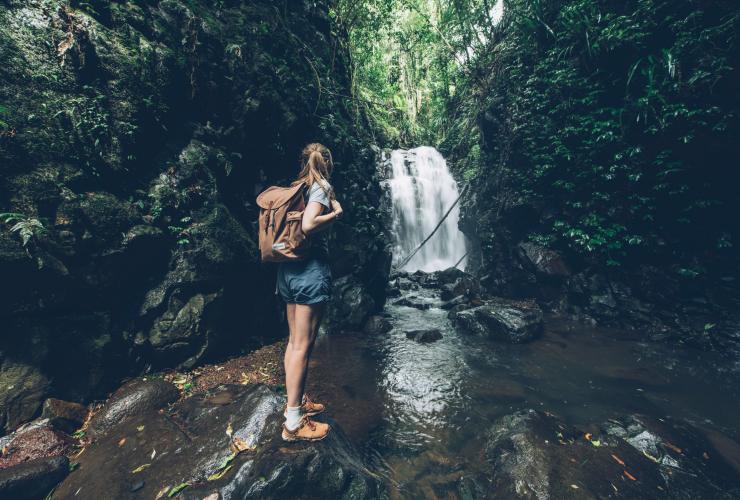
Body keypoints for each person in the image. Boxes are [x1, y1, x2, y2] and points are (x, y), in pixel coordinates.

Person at [278, 143, 343, 441]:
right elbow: (307, 224)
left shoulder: (296, 187)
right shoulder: (321, 186)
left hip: (288, 270)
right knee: (304, 345)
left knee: (294, 342)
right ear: (326, 162)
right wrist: (335, 213)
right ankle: (294, 423)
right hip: (309, 271)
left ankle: (296, 399)